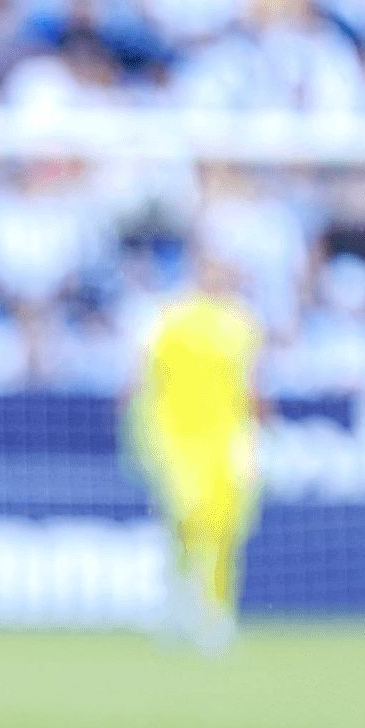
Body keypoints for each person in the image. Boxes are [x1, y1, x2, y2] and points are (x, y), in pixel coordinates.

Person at [125, 252, 267, 654]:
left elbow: (251, 385)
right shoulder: (167, 318)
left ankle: (216, 612)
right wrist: (138, 432)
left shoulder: (241, 323)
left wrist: (255, 433)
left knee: (223, 525)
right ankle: (178, 602)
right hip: (175, 437)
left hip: (225, 439)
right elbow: (142, 377)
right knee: (186, 516)